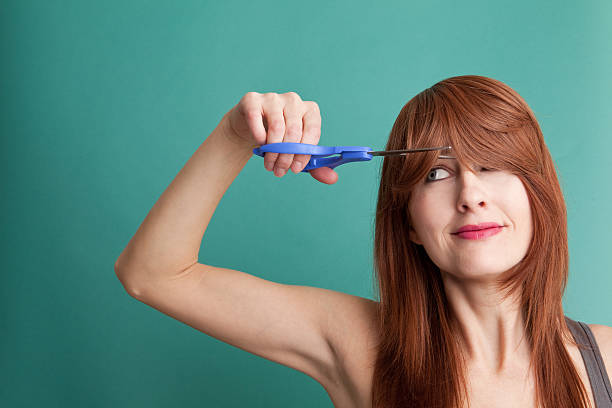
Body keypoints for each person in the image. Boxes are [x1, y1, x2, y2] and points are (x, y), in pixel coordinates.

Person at [114, 75, 612, 407]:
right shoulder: (361, 346)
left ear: (538, 197)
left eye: (492, 165)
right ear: (409, 223)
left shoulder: (606, 360)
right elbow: (152, 274)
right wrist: (234, 135)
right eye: (437, 173)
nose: (470, 195)